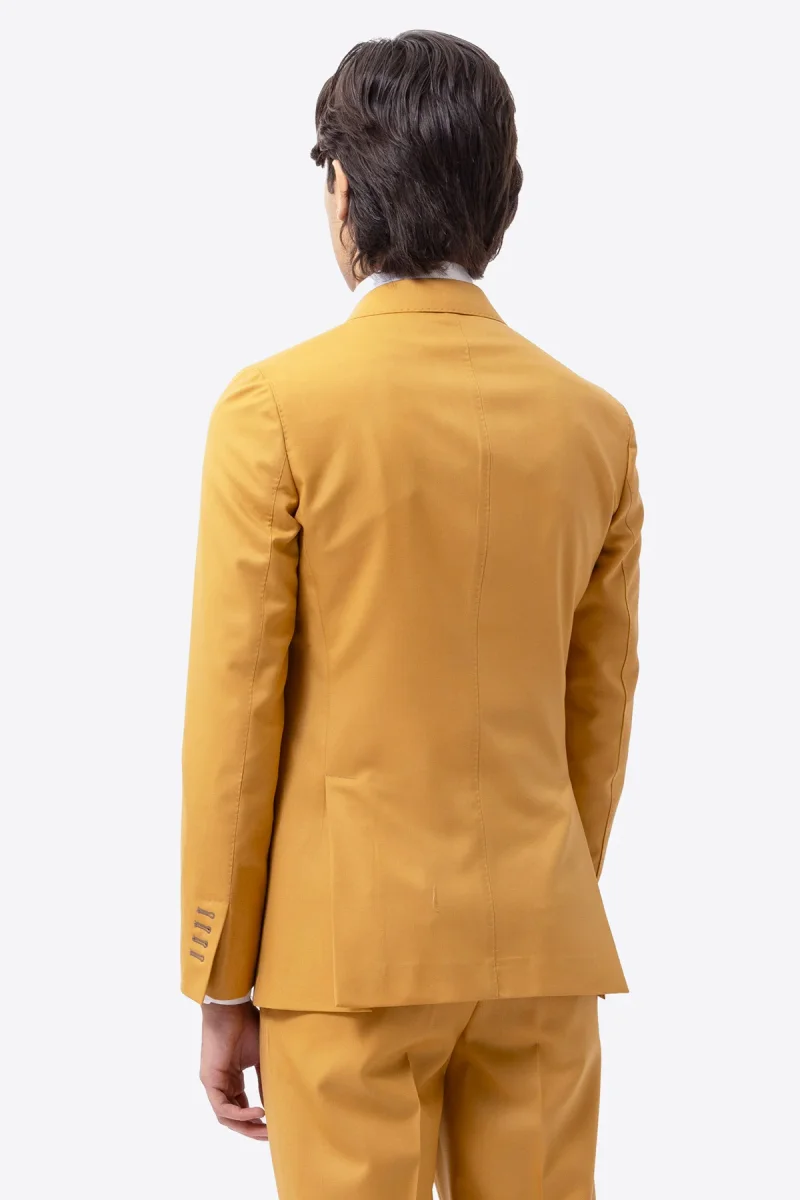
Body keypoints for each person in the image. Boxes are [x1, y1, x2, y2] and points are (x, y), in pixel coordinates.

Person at [180, 28, 643, 1200]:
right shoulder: (592, 426)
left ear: (344, 191)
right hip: (539, 942)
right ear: (502, 198)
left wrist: (220, 976)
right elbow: (597, 710)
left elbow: (236, 712)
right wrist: (539, 890)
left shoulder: (277, 409)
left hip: (345, 958)